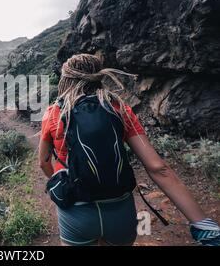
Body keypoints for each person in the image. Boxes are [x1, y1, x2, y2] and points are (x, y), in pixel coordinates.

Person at [38, 54, 220, 246]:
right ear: (98, 76)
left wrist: (61, 183)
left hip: (76, 212)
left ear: (66, 80)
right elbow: (158, 168)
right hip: (119, 210)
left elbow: (43, 163)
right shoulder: (119, 108)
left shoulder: (53, 113)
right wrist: (203, 224)